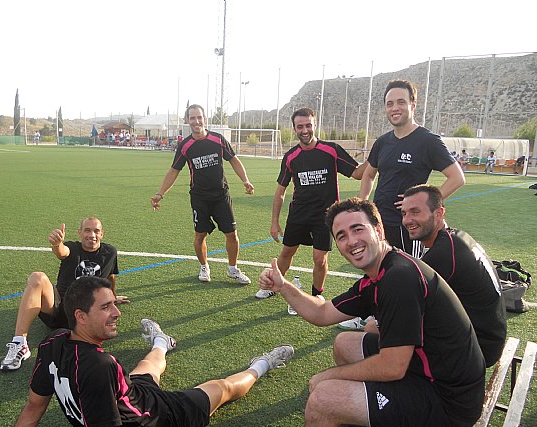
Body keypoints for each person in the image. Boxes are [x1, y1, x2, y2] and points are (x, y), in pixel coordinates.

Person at [0, 276, 294, 427]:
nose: (118, 312)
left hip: (132, 397)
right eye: (106, 307)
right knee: (221, 389)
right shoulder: (98, 366)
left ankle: (163, 341)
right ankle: (261, 364)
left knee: (147, 368)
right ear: (80, 316)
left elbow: (34, 407)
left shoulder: (53, 345)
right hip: (163, 424)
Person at [260, 197, 485, 427]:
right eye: (341, 236)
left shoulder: (399, 279)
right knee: (345, 343)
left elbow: (392, 367)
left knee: (323, 400)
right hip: (434, 373)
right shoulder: (382, 273)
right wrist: (283, 286)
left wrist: (330, 376)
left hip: (448, 399)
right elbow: (322, 313)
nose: (351, 240)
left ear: (378, 230)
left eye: (358, 229)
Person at [255, 107, 364, 315]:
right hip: (299, 214)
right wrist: (274, 222)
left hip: (326, 215)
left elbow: (358, 173)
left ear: (314, 125)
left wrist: (377, 156)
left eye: (308, 125)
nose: (305, 130)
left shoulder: (331, 150)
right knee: (287, 252)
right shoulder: (291, 156)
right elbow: (280, 191)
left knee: (319, 258)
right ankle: (274, 286)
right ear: (295, 128)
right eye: (300, 126)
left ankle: (317, 294)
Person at [0, 217, 128, 372]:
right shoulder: (72, 248)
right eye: (87, 230)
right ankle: (19, 343)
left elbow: (110, 276)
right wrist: (56, 244)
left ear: (102, 234)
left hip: (86, 316)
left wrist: (113, 297)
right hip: (59, 309)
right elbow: (62, 252)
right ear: (79, 233)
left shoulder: (110, 252)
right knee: (37, 277)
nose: (92, 235)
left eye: (96, 231)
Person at [401, 184, 506, 367]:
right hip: (490, 339)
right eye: (404, 213)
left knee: (380, 333)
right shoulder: (457, 237)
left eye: (415, 212)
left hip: (478, 349)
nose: (407, 220)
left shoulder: (443, 254)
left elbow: (405, 303)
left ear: (439, 213)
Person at [359, 79, 465, 258]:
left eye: (401, 102)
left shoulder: (428, 141)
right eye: (390, 104)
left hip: (408, 226)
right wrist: (363, 203)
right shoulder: (382, 142)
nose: (395, 108)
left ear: (413, 105)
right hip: (379, 222)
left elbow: (457, 178)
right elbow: (368, 175)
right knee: (378, 272)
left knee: (408, 275)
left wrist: (421, 205)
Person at [151, 104, 255, 285]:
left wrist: (245, 181)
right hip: (199, 197)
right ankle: (204, 266)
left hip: (221, 195)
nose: (196, 121)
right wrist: (160, 193)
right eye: (192, 118)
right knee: (200, 235)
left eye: (199, 117)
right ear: (187, 121)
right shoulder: (185, 146)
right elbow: (174, 170)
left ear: (205, 119)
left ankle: (233, 269)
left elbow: (233, 160)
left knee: (231, 234)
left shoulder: (218, 139)